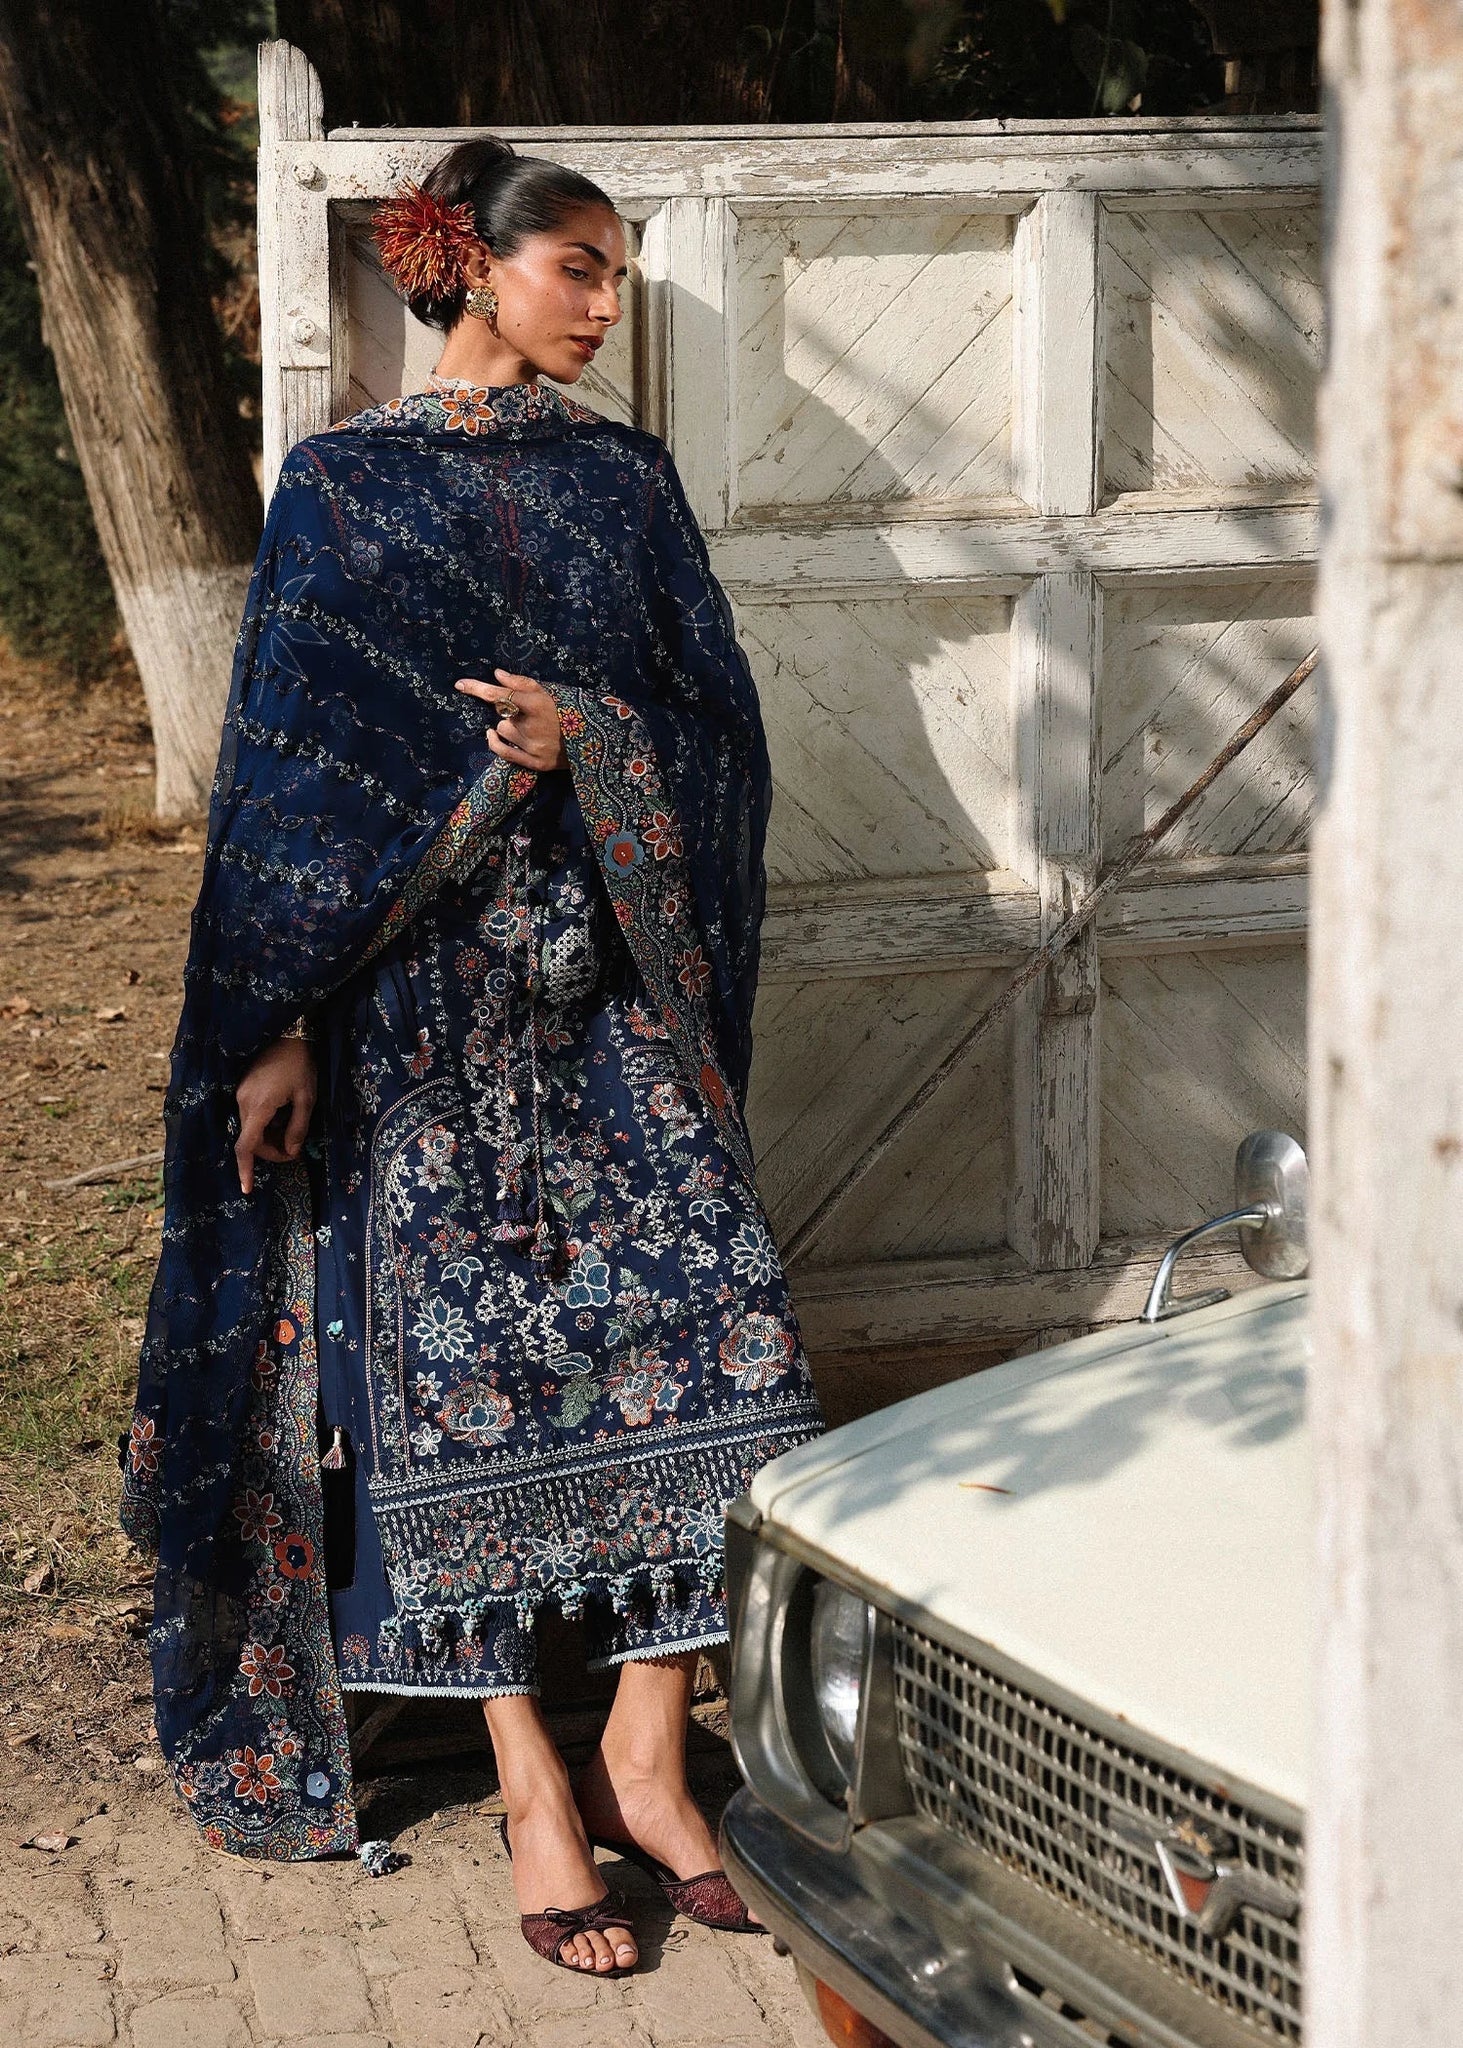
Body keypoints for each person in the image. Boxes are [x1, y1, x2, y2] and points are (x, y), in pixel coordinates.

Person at [120, 136, 824, 1979]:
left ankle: (647, 1756)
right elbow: (280, 783)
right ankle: (527, 1781)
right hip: (413, 1020)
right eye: (579, 267)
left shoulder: (623, 482)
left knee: (731, 1339)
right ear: (474, 266)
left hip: (609, 1006)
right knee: (446, 1387)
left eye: (617, 277)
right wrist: (277, 1025)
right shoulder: (340, 488)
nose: (605, 304)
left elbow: (719, 732)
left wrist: (591, 738)